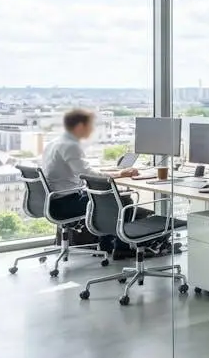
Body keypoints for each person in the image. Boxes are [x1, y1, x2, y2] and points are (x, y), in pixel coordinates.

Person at [41, 108, 138, 253]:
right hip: (65, 203)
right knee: (121, 201)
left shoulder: (55, 142)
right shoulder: (70, 145)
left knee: (108, 198)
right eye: (91, 126)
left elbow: (83, 170)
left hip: (55, 200)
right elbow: (86, 174)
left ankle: (107, 246)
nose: (92, 130)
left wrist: (112, 171)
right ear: (80, 126)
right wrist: (120, 174)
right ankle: (120, 249)